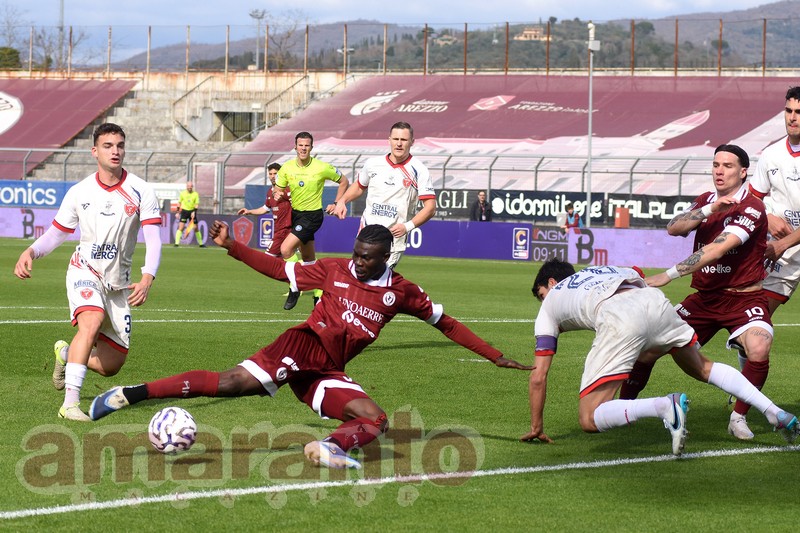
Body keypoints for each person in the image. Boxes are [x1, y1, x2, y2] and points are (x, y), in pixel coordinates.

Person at [89, 223, 530, 469]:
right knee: (230, 384)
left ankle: (331, 446)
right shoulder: (334, 270)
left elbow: (446, 324)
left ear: (387, 256)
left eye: (367, 257)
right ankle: (129, 394)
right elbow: (280, 271)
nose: (358, 261)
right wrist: (234, 247)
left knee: (375, 420)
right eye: (356, 253)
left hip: (326, 369)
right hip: (302, 345)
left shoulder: (402, 292)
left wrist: (494, 356)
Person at [521, 259, 798, 455]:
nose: (543, 301)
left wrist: (536, 426)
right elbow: (637, 274)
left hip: (619, 315)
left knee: (589, 418)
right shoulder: (600, 269)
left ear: (552, 283)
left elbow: (538, 376)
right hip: (655, 302)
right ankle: (775, 412)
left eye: (541, 295)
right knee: (702, 367)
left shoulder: (550, 305)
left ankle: (665, 406)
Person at [619, 144, 774, 440]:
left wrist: (667, 276)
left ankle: (738, 417)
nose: (719, 171)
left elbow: (717, 249)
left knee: (758, 346)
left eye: (728, 166)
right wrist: (708, 210)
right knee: (647, 349)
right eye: (716, 165)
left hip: (744, 298)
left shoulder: (752, 206)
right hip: (705, 299)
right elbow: (674, 228)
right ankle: (622, 410)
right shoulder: (705, 200)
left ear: (743, 172)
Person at [13, 123, 162, 422]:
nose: (115, 151)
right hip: (85, 270)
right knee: (91, 321)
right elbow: (57, 232)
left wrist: (148, 276)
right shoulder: (79, 191)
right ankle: (70, 404)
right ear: (94, 151)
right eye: (108, 146)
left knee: (111, 365)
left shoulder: (141, 190)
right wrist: (31, 251)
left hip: (118, 284)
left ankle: (67, 354)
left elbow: (154, 238)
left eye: (120, 145)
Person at [332, 121, 436, 269]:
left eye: (403, 140)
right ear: (389, 140)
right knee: (359, 276)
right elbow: (359, 186)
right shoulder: (373, 163)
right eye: (395, 139)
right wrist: (342, 201)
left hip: (393, 238)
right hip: (367, 232)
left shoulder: (419, 170)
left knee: (376, 278)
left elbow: (430, 208)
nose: (399, 143)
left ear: (412, 142)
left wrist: (407, 227)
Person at [275, 131, 349, 309]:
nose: (303, 148)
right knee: (308, 259)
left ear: (311, 147)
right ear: (295, 147)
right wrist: (278, 194)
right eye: (300, 145)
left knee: (285, 249)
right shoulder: (287, 168)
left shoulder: (321, 167)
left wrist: (337, 203)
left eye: (306, 145)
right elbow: (278, 188)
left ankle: (295, 287)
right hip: (297, 215)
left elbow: (344, 181)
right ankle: (319, 293)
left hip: (313, 215)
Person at [748, 86, 800, 316]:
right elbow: (752, 199)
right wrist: (767, 217)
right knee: (755, 319)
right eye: (789, 111)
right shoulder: (771, 154)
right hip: (785, 254)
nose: (792, 117)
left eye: (799, 112)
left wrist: (782, 244)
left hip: (783, 246)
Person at [174, 181, 203, 247]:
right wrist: (177, 212)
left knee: (195, 228)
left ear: (192, 187)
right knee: (181, 227)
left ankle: (201, 244)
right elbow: (179, 203)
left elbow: (196, 204)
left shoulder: (195, 194)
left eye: (191, 186)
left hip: (192, 211)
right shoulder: (182, 193)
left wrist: (194, 212)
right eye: (188, 186)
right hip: (184, 211)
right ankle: (176, 243)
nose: (190, 187)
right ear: (186, 186)